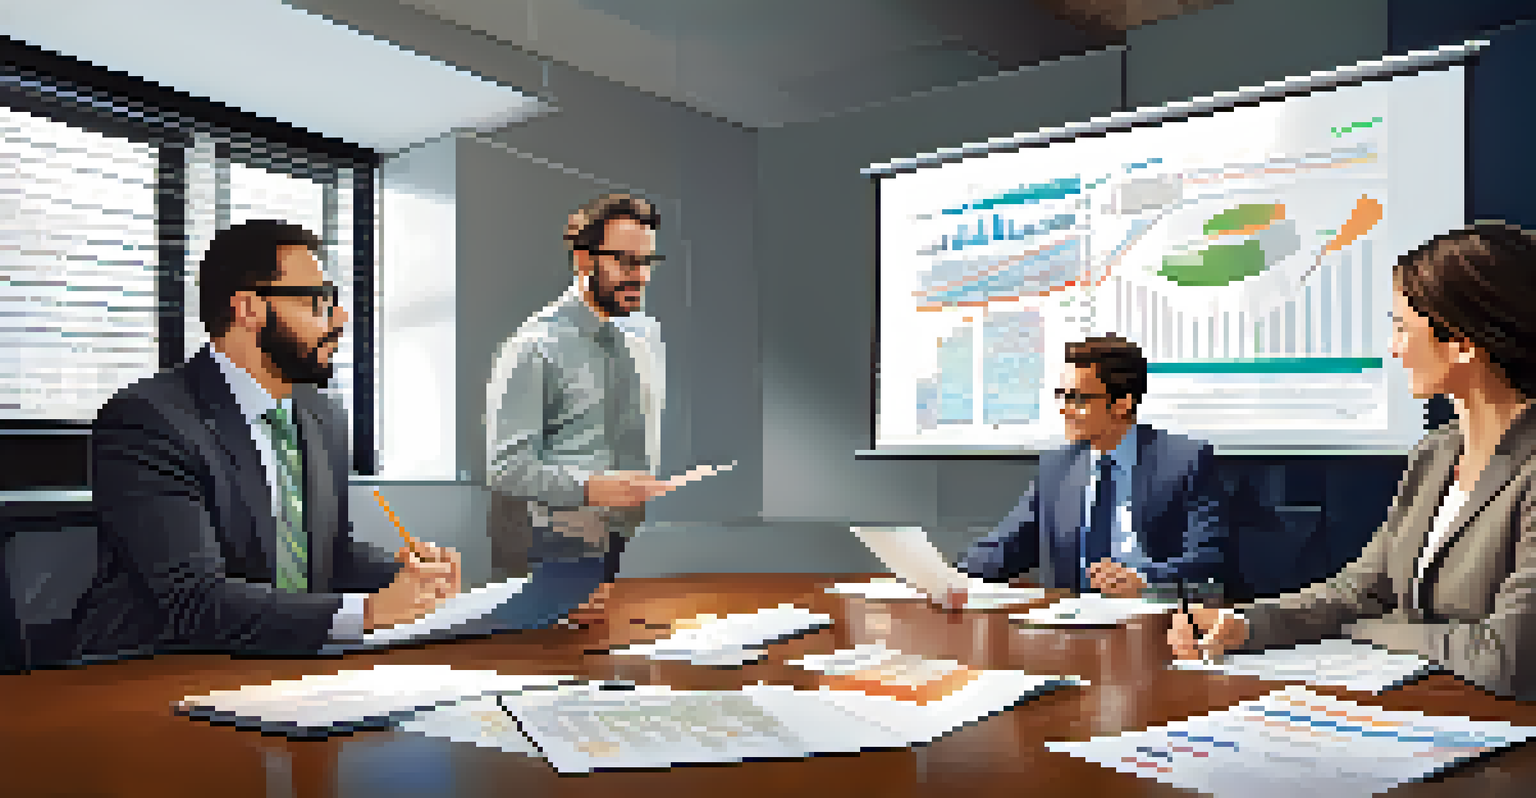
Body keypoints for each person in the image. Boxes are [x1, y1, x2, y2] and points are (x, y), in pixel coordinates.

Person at [53, 220, 459, 662]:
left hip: (282, 662)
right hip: (157, 667)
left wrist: (410, 578)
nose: (339, 320)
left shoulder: (324, 417)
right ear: (248, 308)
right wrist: (369, 611)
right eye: (317, 301)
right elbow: (193, 600)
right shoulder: (149, 418)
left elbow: (325, 557)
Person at [1171, 222, 1536, 701]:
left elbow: (1508, 659)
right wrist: (1242, 624)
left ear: (1464, 342)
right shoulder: (1435, 454)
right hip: (1425, 714)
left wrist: (1375, 628)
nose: (1394, 347)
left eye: (1402, 327)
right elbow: (1356, 591)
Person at [483, 193, 673, 630]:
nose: (640, 276)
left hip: (627, 543)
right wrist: (593, 487)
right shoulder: (534, 346)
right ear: (583, 260)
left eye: (648, 262)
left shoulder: (645, 336)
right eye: (626, 262)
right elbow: (505, 468)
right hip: (557, 549)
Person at [951, 334, 1226, 604]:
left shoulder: (1184, 461)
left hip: (1152, 621)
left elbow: (1208, 560)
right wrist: (947, 578)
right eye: (1061, 396)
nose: (1064, 410)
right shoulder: (1058, 467)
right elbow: (1007, 547)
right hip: (1074, 623)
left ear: (1122, 404)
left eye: (1078, 399)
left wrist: (1144, 580)